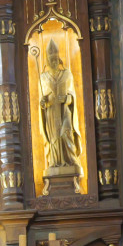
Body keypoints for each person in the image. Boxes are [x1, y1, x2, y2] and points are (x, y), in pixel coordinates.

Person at [39, 38, 82, 170]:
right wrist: (43, 102)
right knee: (55, 138)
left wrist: (68, 99)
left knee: (66, 132)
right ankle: (55, 162)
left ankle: (72, 161)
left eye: (55, 59)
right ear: (47, 60)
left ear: (59, 59)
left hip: (65, 111)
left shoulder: (67, 74)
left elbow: (72, 95)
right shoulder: (43, 77)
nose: (53, 62)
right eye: (51, 59)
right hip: (51, 112)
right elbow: (41, 100)